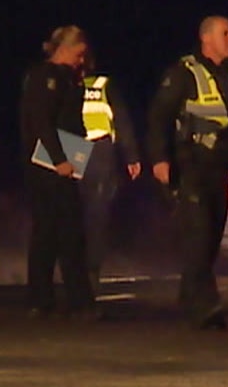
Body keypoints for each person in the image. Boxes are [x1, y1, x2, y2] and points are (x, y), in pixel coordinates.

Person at [146, 15, 228, 329]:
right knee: (197, 234)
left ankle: (189, 294)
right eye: (226, 33)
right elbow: (158, 117)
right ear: (206, 38)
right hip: (190, 164)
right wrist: (159, 159)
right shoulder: (184, 73)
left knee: (211, 237)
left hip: (221, 167)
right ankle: (205, 306)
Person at [19, 25, 97, 319]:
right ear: (66, 47)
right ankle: (60, 300)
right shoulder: (44, 77)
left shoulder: (71, 79)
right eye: (79, 53)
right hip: (47, 163)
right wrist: (60, 159)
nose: (82, 59)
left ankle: (47, 299)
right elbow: (41, 123)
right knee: (57, 232)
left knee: (58, 231)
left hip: (67, 158)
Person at [78, 50, 141, 292]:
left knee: (97, 214)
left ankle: (91, 271)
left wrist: (131, 155)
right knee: (73, 213)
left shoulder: (103, 84)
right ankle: (73, 271)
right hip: (70, 146)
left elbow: (121, 119)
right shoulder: (62, 84)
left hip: (98, 149)